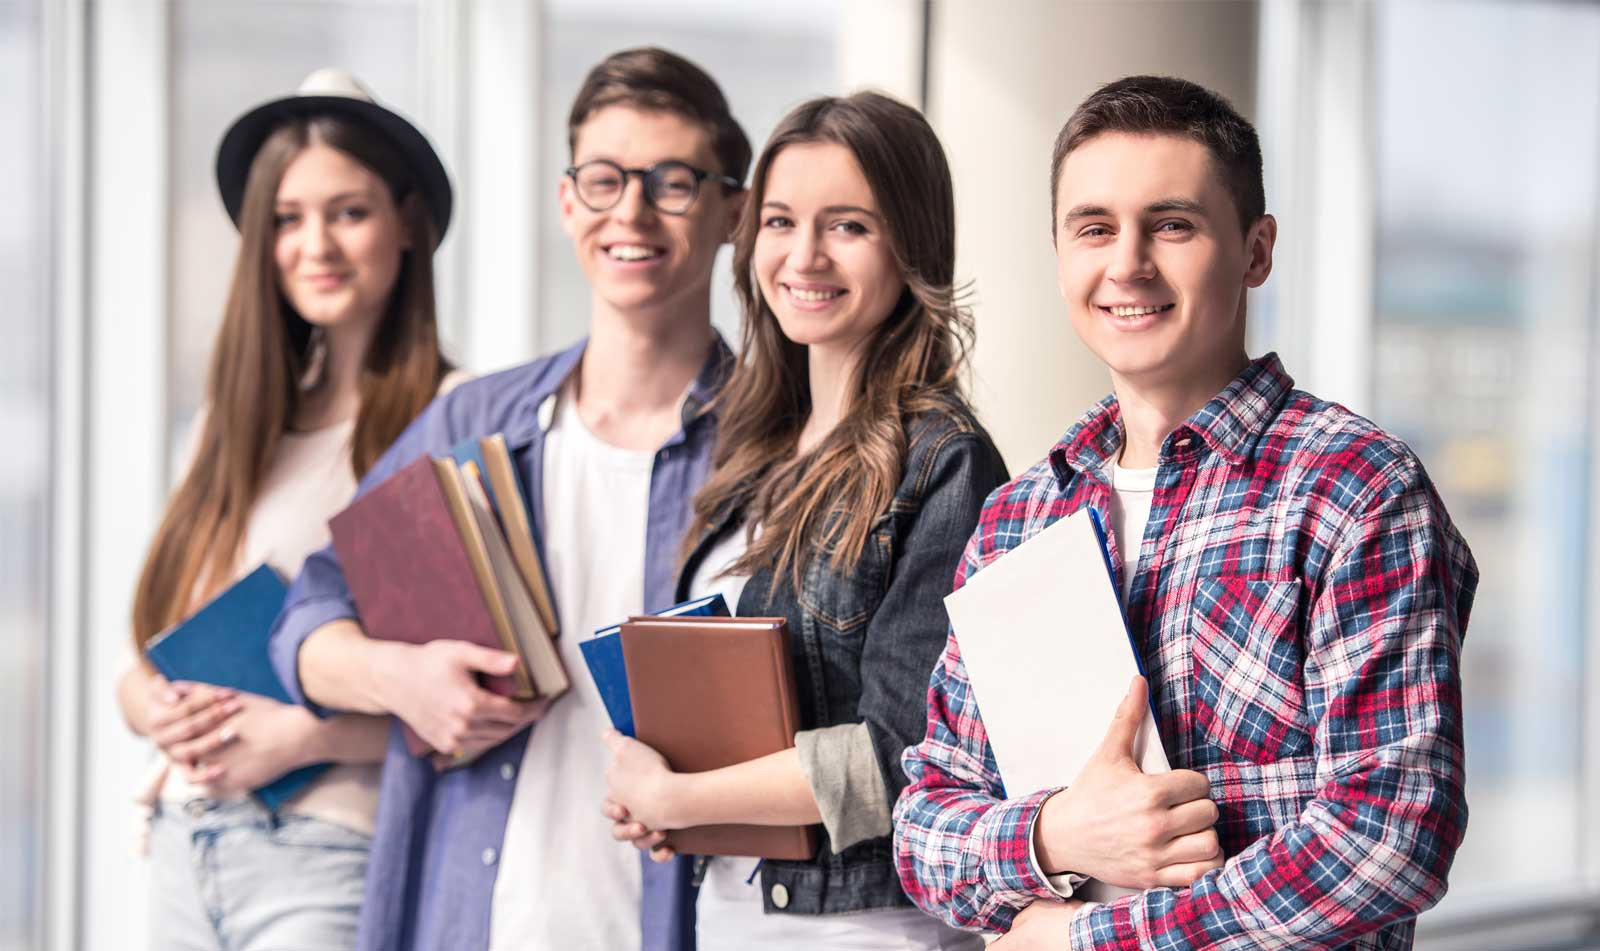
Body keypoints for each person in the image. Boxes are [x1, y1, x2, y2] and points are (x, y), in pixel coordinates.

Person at [892, 75, 1478, 951]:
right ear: (1060, 254)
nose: (1127, 263)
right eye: (1094, 228)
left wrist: (1095, 936)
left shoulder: (1356, 490)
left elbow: (1391, 835)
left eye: (1172, 224)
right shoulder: (1019, 517)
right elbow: (926, 823)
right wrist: (1054, 835)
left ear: (1255, 250)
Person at [265, 47, 749, 951]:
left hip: (674, 923)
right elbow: (309, 614)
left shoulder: (777, 448)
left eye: (672, 182)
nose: (631, 213)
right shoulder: (475, 423)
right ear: (569, 202)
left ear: (733, 211)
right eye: (604, 180)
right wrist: (398, 678)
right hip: (463, 919)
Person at [600, 91, 1005, 951]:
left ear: (910, 244)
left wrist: (679, 797)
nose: (805, 256)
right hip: (734, 914)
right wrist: (664, 789)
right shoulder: (755, 444)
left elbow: (904, 757)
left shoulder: (944, 461)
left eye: (849, 226)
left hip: (866, 927)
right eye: (781, 221)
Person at [117, 67, 463, 950]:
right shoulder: (225, 430)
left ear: (409, 221)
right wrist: (151, 707)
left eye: (348, 212)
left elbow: (469, 698)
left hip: (326, 853)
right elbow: (144, 657)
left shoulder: (447, 422)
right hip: (180, 848)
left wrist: (299, 738)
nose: (317, 244)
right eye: (288, 218)